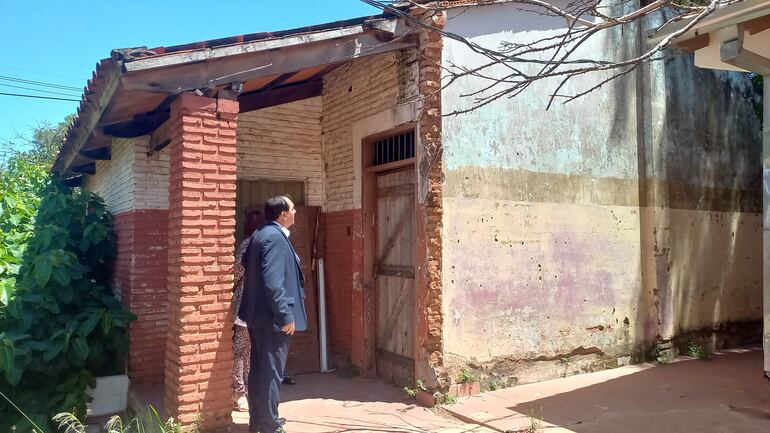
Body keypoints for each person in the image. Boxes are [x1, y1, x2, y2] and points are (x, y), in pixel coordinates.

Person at [238, 196, 308, 433]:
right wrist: (284, 315)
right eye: (292, 209)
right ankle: (270, 425)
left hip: (258, 316)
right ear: (283, 214)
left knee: (259, 369)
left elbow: (247, 264)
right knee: (271, 373)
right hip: (272, 319)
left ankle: (258, 421)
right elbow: (272, 281)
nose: (295, 212)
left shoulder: (260, 234)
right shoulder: (275, 238)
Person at [232, 210, 265, 412]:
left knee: (241, 350)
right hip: (258, 306)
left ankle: (239, 392)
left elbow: (236, 272)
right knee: (248, 350)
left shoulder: (247, 245)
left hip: (246, 305)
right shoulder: (265, 245)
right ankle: (242, 391)